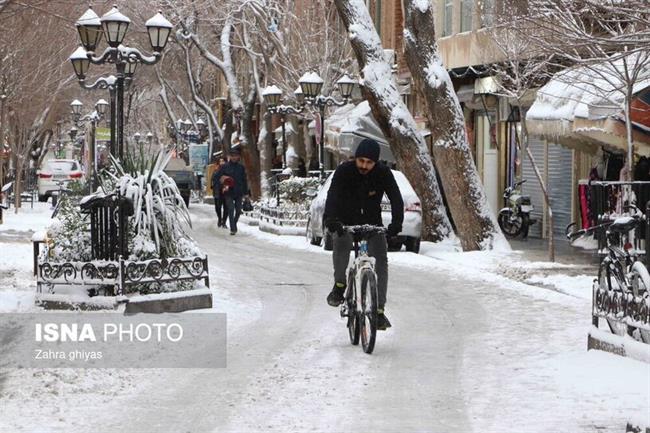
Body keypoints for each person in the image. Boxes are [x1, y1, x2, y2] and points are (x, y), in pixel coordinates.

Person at [323, 138, 403, 330]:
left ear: (376, 163)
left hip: (371, 224)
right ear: (355, 158)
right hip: (345, 223)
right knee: (341, 245)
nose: (364, 166)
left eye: (369, 163)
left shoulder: (383, 174)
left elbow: (396, 198)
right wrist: (331, 220)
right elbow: (332, 196)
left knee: (381, 261)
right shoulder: (344, 171)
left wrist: (396, 224)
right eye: (361, 161)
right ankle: (340, 285)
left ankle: (379, 310)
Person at [214, 147, 249, 235]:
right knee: (230, 209)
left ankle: (234, 223)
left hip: (239, 192)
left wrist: (246, 193)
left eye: (236, 156)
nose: (234, 157)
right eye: (232, 156)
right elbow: (216, 177)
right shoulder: (224, 167)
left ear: (238, 157)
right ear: (229, 156)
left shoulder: (241, 167)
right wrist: (222, 182)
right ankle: (233, 228)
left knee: (238, 210)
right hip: (228, 192)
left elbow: (244, 180)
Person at [210, 157, 228, 228]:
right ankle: (219, 219)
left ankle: (224, 221)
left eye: (223, 161)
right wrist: (213, 186)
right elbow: (213, 179)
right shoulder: (216, 170)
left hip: (226, 191)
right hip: (217, 191)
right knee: (217, 207)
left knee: (226, 207)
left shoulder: (228, 170)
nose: (221, 162)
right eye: (220, 161)